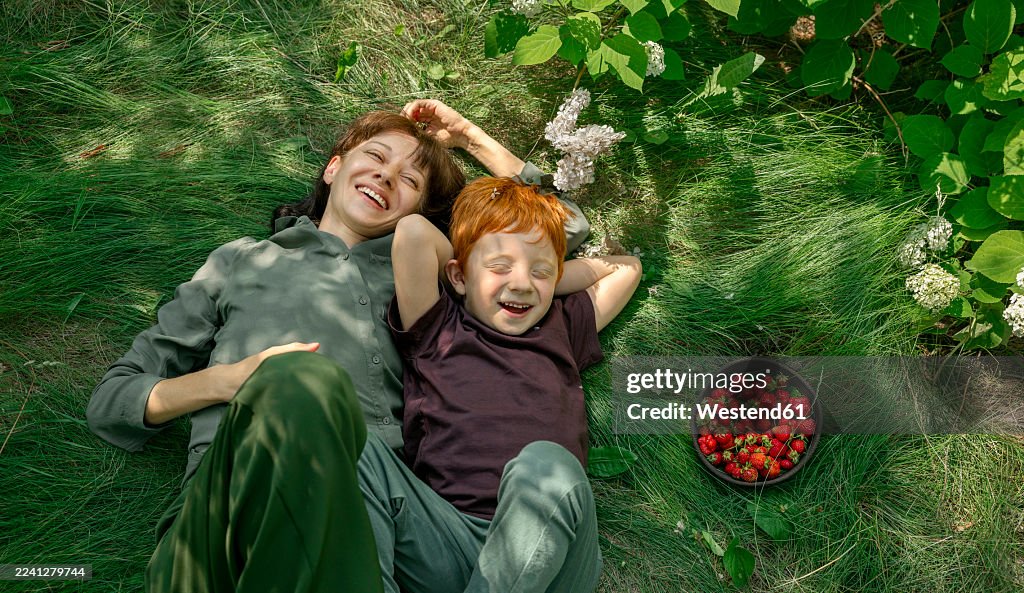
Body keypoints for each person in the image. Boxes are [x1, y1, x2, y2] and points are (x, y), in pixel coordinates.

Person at [85, 101, 591, 592]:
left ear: (419, 212)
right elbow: (113, 403)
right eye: (375, 157)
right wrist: (233, 380)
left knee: (346, 435)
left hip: (376, 521)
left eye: (410, 180)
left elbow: (562, 229)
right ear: (333, 168)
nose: (388, 177)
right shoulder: (241, 261)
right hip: (232, 515)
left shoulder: (426, 282)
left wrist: (469, 138)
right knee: (302, 383)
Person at [358, 177, 642, 593]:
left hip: (552, 554)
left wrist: (549, 276)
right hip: (444, 536)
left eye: (540, 273)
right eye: (500, 267)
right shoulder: (438, 326)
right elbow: (414, 233)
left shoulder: (561, 328)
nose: (522, 284)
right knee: (354, 441)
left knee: (546, 464)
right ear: (456, 274)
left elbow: (626, 268)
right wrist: (487, 266)